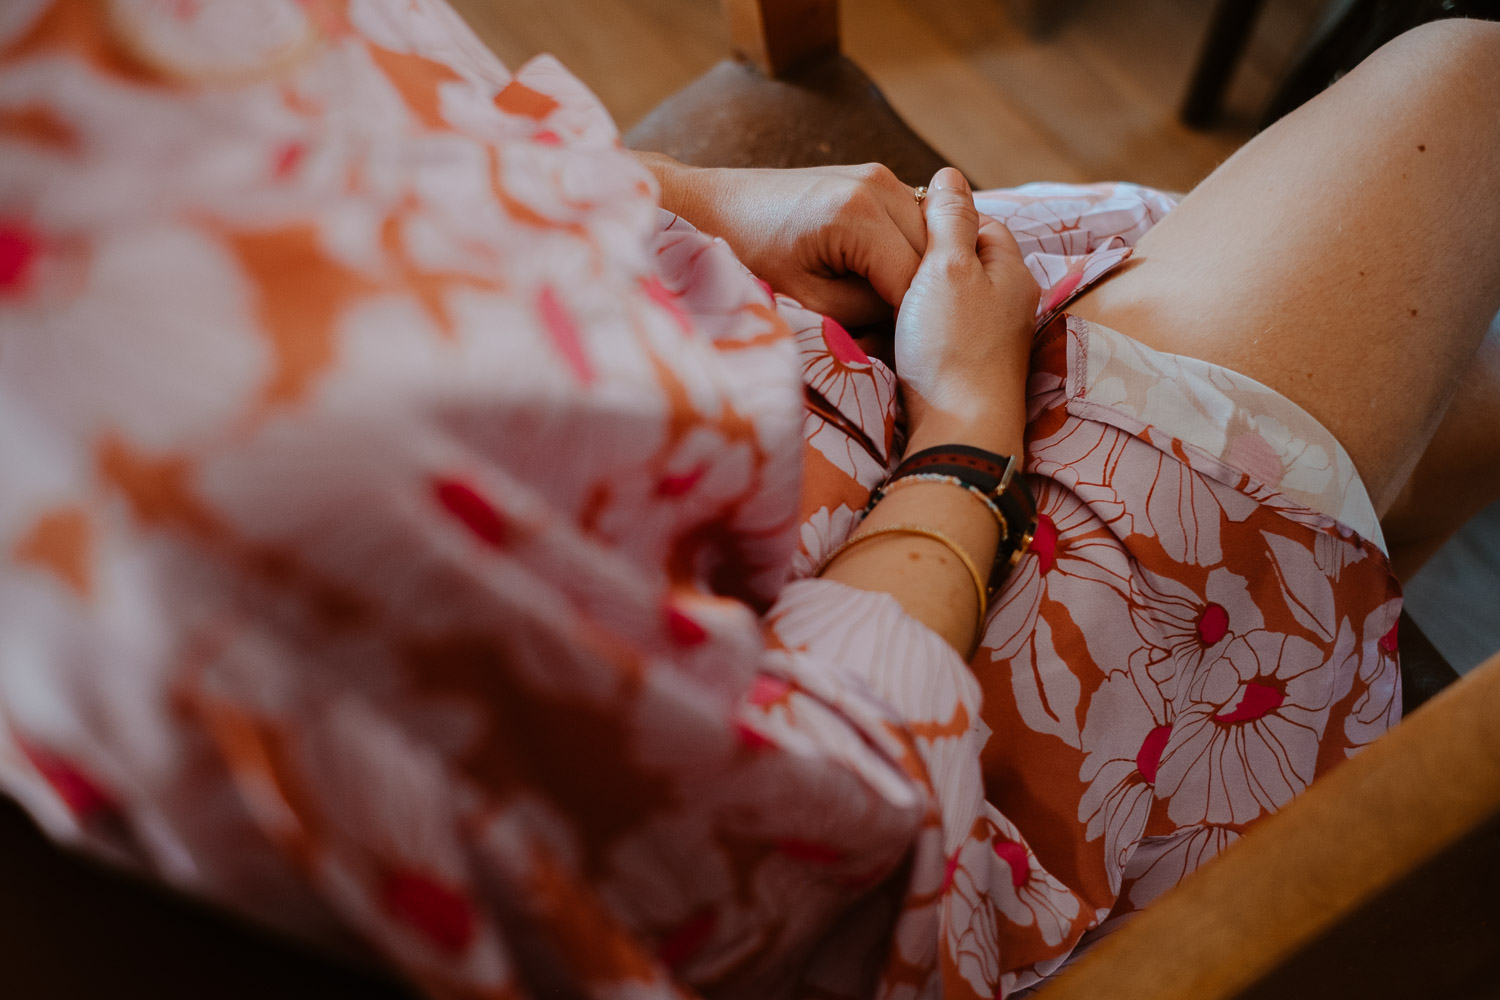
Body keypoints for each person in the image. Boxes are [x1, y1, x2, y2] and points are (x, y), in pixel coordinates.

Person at [0, 1, 1496, 997]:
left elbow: (384, 159)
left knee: (1401, 365)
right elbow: (803, 848)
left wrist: (695, 197)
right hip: (920, 719)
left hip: (789, 422)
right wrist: (968, 433)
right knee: (1464, 79)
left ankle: (1359, 547)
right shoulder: (215, 503)